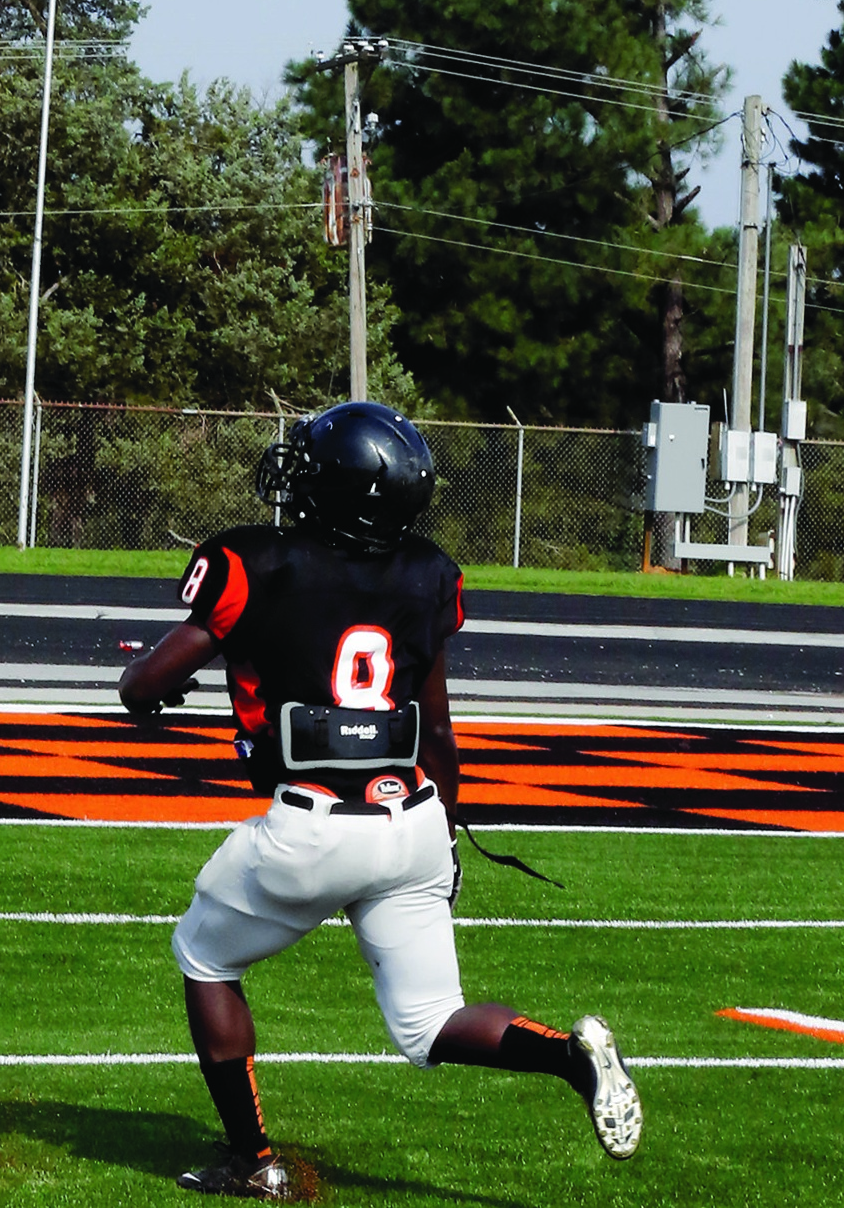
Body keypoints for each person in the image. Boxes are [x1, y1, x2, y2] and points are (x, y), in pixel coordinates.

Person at [119, 401, 642, 1198]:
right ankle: (569, 1058)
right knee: (432, 1021)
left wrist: (157, 683)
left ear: (337, 486)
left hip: (313, 827)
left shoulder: (258, 561)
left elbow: (143, 683)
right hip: (416, 819)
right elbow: (437, 724)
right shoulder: (428, 573)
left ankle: (253, 1160)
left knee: (204, 955)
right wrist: (451, 833)